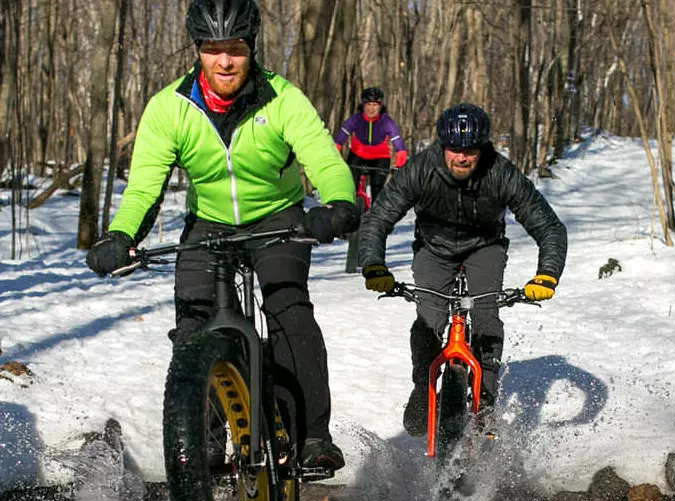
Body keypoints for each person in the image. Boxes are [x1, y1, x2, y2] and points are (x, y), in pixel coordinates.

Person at [84, 0, 356, 472]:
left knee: (289, 310)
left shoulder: (282, 98)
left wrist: (336, 204)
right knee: (194, 325)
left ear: (251, 49)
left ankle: (312, 436)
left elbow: (324, 158)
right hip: (208, 223)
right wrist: (120, 234)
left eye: (234, 49)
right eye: (213, 50)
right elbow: (144, 187)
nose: (224, 61)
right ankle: (201, 442)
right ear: (198, 51)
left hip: (277, 219)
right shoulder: (170, 108)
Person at [357, 103, 568, 437]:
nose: (461, 158)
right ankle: (421, 385)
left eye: (470, 151)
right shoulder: (421, 169)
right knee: (430, 318)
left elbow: (549, 227)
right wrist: (373, 264)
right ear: (442, 146)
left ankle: (485, 400)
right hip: (434, 249)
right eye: (454, 150)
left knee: (486, 316)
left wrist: (547, 274)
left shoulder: (500, 172)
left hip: (485, 247)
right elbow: (379, 218)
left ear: (482, 148)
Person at [333, 87, 409, 273]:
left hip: (379, 158)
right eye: (368, 105)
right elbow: (340, 137)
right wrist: (333, 152)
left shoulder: (386, 122)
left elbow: (398, 142)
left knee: (377, 193)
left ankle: (378, 224)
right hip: (357, 156)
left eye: (375, 105)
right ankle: (346, 222)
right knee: (349, 189)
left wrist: (400, 156)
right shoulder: (356, 119)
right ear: (363, 105)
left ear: (380, 106)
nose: (372, 109)